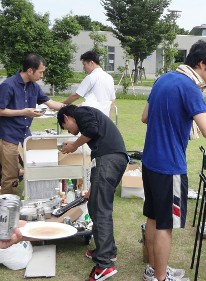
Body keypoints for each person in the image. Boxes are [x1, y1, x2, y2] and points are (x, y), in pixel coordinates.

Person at [141, 40, 206, 281]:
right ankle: (160, 278)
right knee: (165, 226)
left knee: (153, 217)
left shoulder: (163, 79)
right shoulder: (190, 88)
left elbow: (145, 117)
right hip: (170, 167)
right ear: (201, 64)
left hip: (150, 162)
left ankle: (152, 269)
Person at [57, 104, 128, 281]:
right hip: (110, 160)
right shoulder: (87, 116)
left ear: (67, 117)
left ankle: (105, 264)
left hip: (108, 160)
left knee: (100, 209)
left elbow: (92, 130)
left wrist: (74, 145)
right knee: (96, 205)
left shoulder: (81, 112)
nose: (72, 133)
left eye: (67, 128)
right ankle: (108, 251)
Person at [0, 53, 65, 195]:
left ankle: (36, 197)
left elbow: (51, 103)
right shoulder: (8, 85)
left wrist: (70, 108)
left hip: (26, 136)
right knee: (10, 176)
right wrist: (24, 112)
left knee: (36, 167)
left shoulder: (34, 87)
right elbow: (1, 110)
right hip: (8, 137)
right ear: (30, 70)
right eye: (40, 72)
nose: (42, 76)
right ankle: (5, 210)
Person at [63, 50, 116, 117]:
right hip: (104, 116)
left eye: (84, 64)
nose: (83, 68)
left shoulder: (91, 77)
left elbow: (76, 96)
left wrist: (63, 104)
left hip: (92, 116)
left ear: (91, 63)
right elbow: (113, 101)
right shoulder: (109, 77)